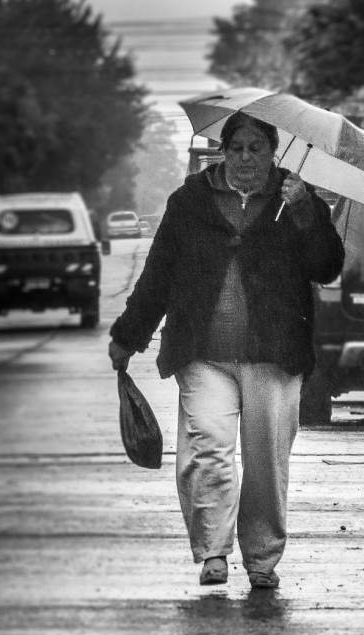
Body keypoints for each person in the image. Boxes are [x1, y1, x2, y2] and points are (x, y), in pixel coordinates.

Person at [108, 111, 345, 589]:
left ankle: (261, 559)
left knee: (266, 462)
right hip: (203, 353)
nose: (244, 158)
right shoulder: (190, 201)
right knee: (206, 449)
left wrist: (304, 211)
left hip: (274, 356)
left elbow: (326, 267)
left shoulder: (295, 199)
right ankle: (213, 552)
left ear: (272, 153)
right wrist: (128, 336)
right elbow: (158, 275)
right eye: (236, 147)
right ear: (222, 149)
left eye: (256, 148)